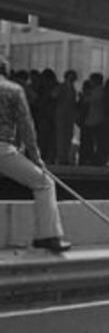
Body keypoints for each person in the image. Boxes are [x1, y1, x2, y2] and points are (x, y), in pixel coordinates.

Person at [0, 55, 70, 252]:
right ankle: (47, 236)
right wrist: (36, 157)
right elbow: (26, 126)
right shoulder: (13, 90)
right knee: (45, 183)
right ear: (6, 72)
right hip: (2, 149)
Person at [53, 70, 77, 165]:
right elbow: (53, 95)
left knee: (68, 136)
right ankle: (61, 157)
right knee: (61, 137)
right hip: (61, 114)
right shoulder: (61, 86)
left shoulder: (73, 88)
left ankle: (66, 156)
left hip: (70, 115)